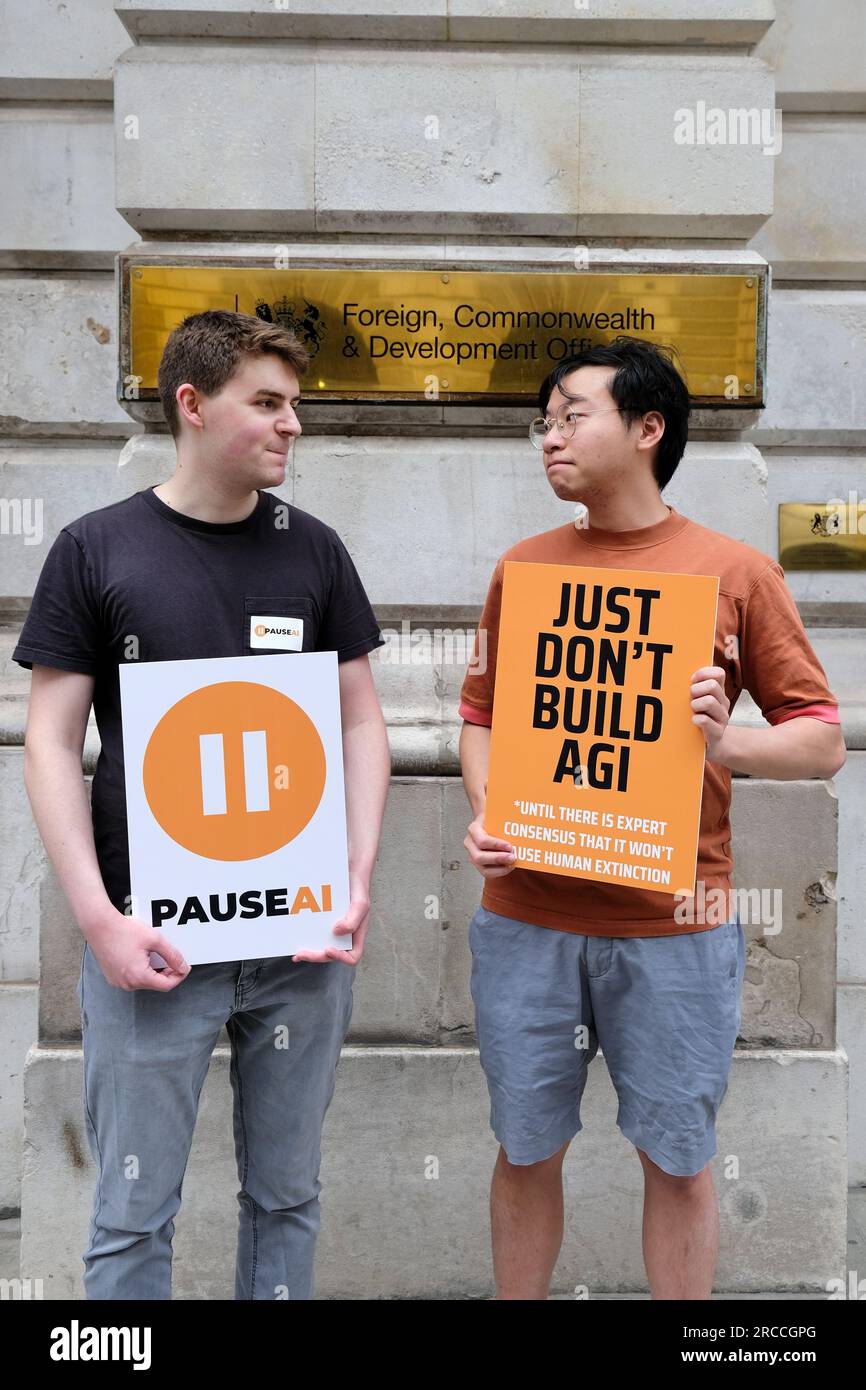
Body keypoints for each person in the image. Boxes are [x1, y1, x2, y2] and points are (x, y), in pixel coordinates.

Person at [14, 309, 391, 1300]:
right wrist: (97, 918)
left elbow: (360, 726)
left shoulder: (312, 550)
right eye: (266, 403)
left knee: (287, 1196)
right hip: (151, 941)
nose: (290, 426)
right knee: (132, 1215)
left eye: (293, 405)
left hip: (298, 942)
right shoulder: (97, 549)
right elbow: (49, 741)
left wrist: (353, 879)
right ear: (191, 404)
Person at [459, 337, 846, 1301]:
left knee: (677, 1157)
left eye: (571, 416)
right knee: (524, 1146)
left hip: (674, 925)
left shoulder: (737, 572)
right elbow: (480, 719)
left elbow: (823, 737)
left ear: (647, 427)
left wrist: (727, 743)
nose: (550, 438)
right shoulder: (525, 569)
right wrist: (484, 809)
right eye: (542, 423)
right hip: (526, 916)